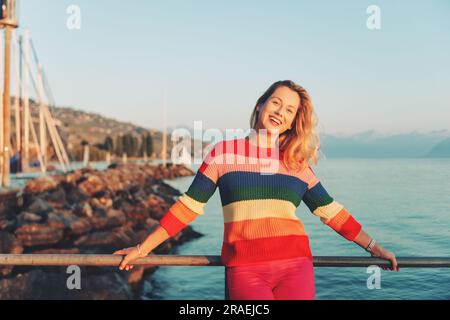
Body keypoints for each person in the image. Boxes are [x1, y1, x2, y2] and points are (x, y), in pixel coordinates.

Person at [114, 80, 399, 300]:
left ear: (292, 121)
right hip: (245, 270)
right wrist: (143, 248)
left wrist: (374, 247)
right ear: (260, 105)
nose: (280, 112)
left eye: (290, 110)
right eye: (276, 103)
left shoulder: (295, 161)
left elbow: (331, 212)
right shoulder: (224, 154)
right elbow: (188, 207)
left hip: (296, 267)